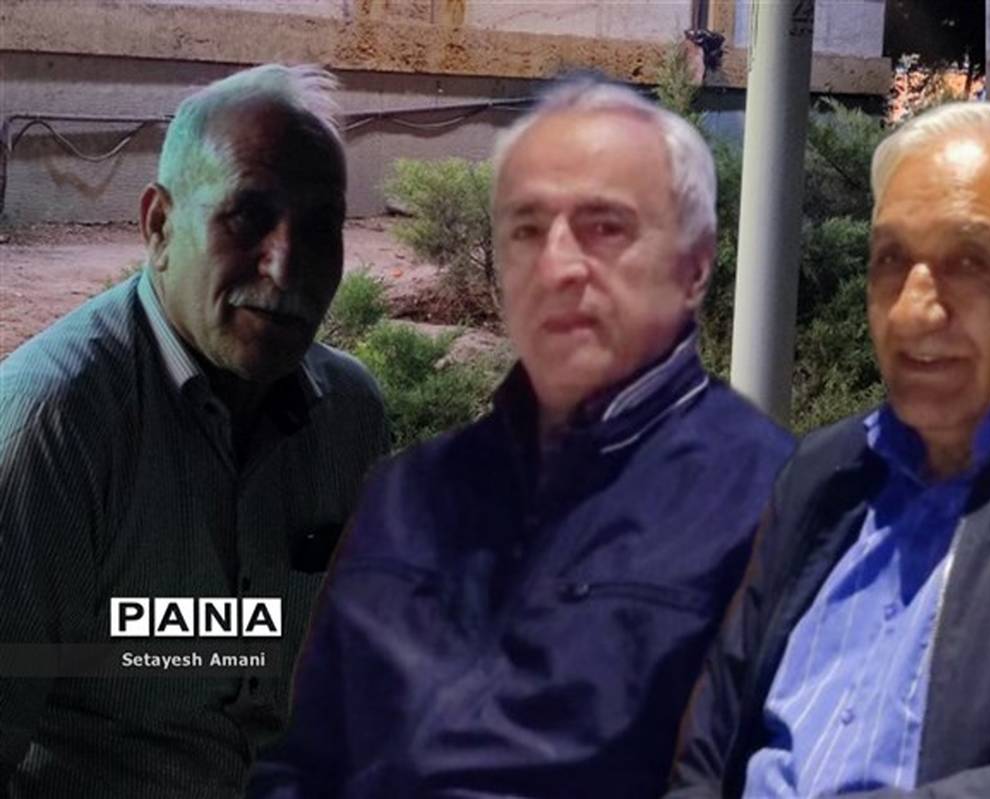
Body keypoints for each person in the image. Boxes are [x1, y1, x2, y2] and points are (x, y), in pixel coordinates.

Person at [248, 78, 796, 798]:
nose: (557, 265)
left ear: (694, 266)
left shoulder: (776, 507)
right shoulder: (405, 494)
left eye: (606, 227)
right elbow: (303, 763)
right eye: (528, 230)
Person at [668, 101, 990, 798]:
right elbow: (708, 758)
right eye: (891, 259)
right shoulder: (826, 475)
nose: (912, 310)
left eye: (970, 262)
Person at [0, 64, 389, 798]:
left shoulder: (348, 416)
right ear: (158, 227)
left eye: (321, 227)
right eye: (247, 215)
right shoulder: (56, 425)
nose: (287, 266)